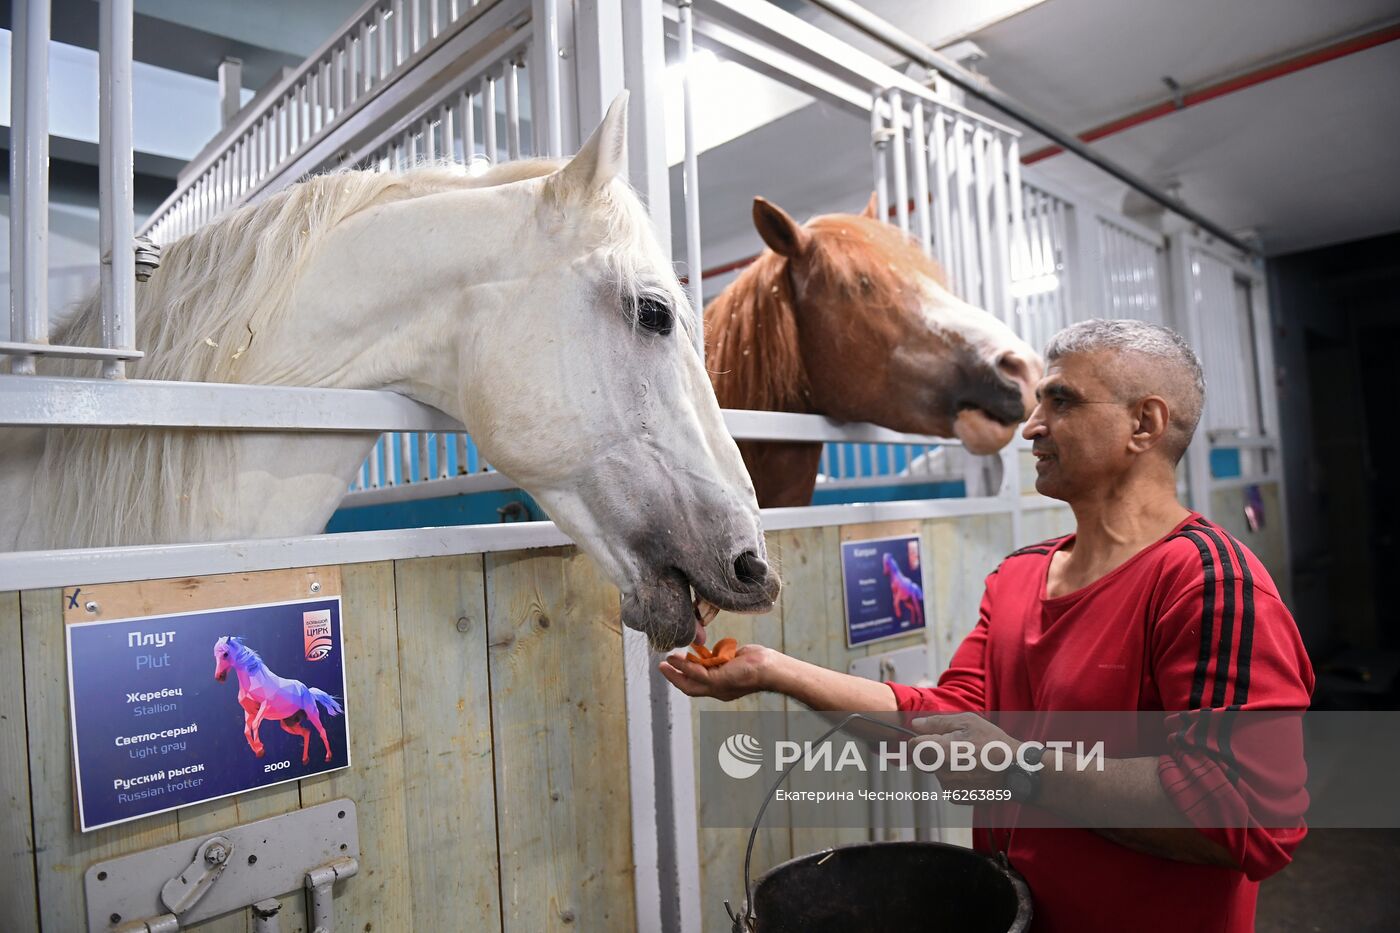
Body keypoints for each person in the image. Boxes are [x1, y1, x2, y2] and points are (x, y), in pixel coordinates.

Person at [661, 319, 1313, 933]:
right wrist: (775, 671)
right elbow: (944, 715)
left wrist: (1014, 764)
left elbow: (1249, 814)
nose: (1032, 425)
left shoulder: (1209, 583)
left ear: (1144, 423)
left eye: (1061, 401)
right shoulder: (1019, 577)